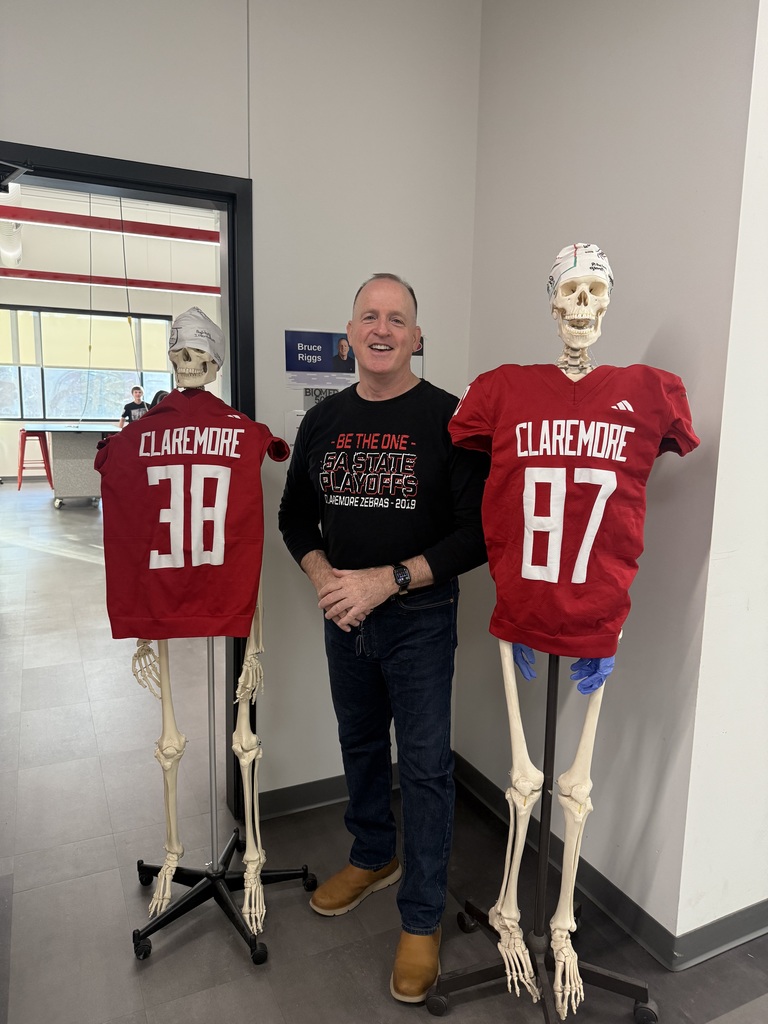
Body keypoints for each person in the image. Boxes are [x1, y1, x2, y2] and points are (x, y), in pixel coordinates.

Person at [279, 273, 487, 1003]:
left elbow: (477, 534)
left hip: (419, 620)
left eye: (398, 319)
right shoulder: (324, 420)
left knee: (426, 769)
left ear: (417, 338)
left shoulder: (448, 418)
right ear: (350, 334)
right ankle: (372, 854)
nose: (382, 328)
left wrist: (386, 580)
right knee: (360, 744)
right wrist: (325, 578)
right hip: (346, 617)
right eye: (370, 315)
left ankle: (422, 919)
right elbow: (295, 520)